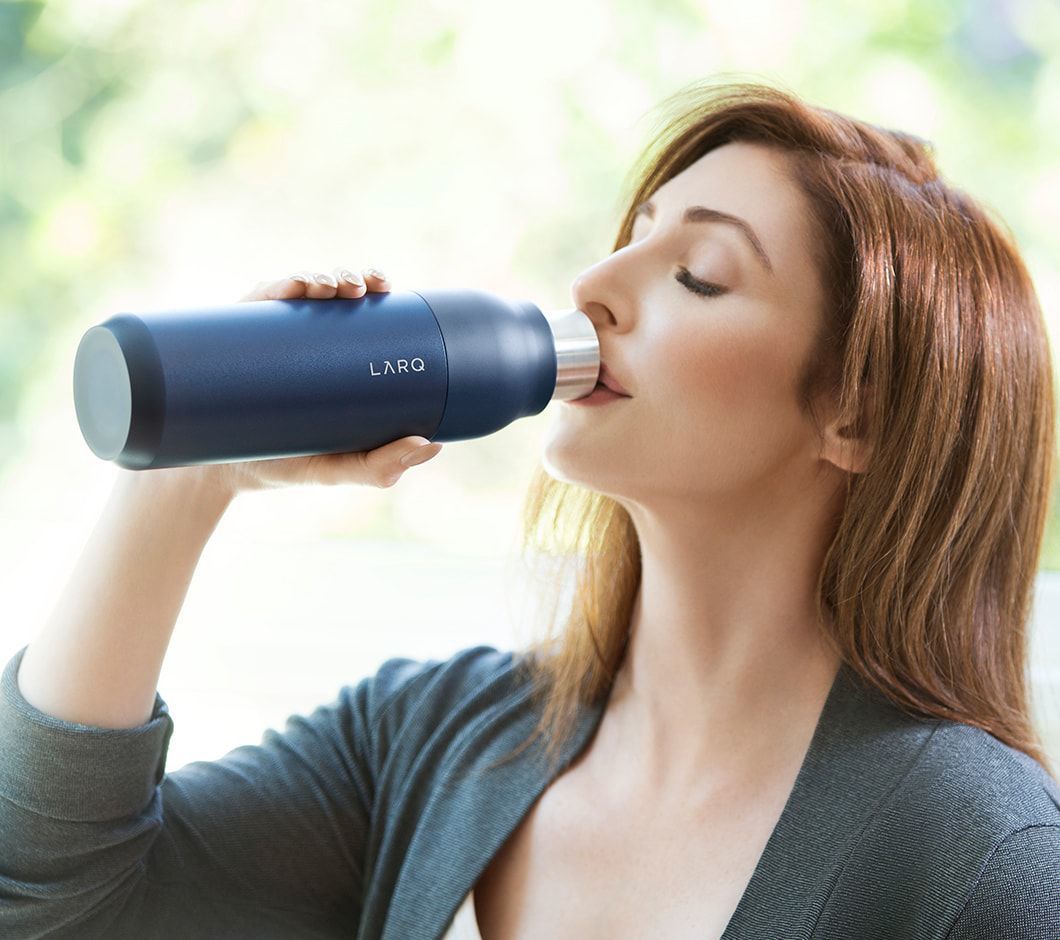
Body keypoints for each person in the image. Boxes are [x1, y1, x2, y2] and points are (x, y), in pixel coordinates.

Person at [1, 80, 1057, 939]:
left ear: (855, 412)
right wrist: (187, 476)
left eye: (695, 273)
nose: (595, 282)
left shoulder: (974, 851)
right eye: (627, 238)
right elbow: (55, 896)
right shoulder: (437, 738)